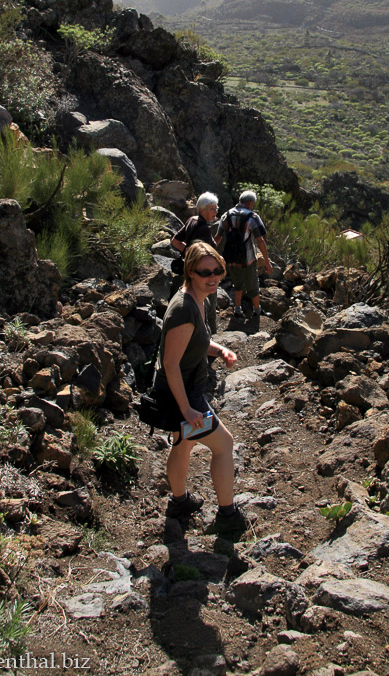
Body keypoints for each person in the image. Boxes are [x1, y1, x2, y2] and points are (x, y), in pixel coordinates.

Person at [152, 241, 247, 530]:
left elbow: (197, 341)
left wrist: (220, 351)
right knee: (224, 445)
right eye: (205, 272)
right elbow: (170, 363)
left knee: (183, 445)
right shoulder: (184, 309)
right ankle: (227, 516)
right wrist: (187, 410)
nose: (213, 277)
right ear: (190, 272)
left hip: (185, 388)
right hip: (183, 394)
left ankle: (179, 502)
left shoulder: (198, 299)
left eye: (218, 271)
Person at [215, 189, 272, 318]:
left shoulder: (226, 215)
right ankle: (257, 311)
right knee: (253, 286)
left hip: (231, 257)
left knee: (237, 284)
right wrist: (267, 262)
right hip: (248, 259)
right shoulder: (252, 217)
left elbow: (218, 237)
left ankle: (237, 310)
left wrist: (208, 252)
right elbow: (260, 241)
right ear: (251, 203)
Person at [170, 192, 219, 333]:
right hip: (202, 275)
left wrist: (189, 252)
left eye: (216, 208)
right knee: (208, 305)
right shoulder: (203, 229)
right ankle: (208, 336)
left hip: (189, 270)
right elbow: (205, 256)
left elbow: (175, 241)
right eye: (212, 209)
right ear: (202, 210)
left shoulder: (192, 220)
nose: (215, 212)